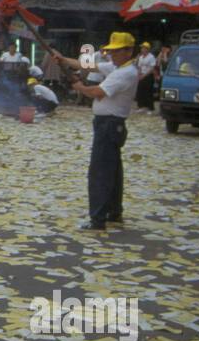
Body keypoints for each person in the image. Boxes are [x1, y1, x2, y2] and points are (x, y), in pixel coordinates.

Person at [57, 32, 140, 231]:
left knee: (100, 172)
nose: (112, 55)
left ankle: (98, 219)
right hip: (109, 125)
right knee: (113, 171)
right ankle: (114, 211)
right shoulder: (118, 67)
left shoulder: (125, 73)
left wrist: (80, 87)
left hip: (109, 125)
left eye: (117, 51)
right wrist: (62, 59)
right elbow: (86, 65)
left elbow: (98, 93)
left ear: (128, 51)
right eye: (111, 51)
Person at [134, 42, 157, 113]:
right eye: (141, 48)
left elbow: (152, 68)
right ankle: (141, 106)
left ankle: (150, 108)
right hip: (141, 75)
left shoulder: (151, 57)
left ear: (147, 49)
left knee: (148, 92)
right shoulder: (140, 57)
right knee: (140, 91)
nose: (142, 49)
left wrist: (144, 75)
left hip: (148, 76)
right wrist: (139, 74)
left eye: (143, 48)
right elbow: (139, 66)